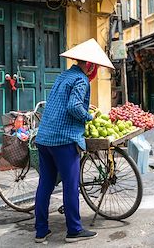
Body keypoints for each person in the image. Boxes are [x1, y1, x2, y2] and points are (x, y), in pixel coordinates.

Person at [34, 39, 115, 243]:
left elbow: (62, 104)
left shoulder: (64, 76)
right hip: (63, 140)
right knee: (71, 185)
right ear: (89, 65)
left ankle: (41, 231)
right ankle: (74, 230)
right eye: (94, 67)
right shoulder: (80, 80)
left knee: (45, 184)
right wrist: (89, 117)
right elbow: (73, 107)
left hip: (44, 138)